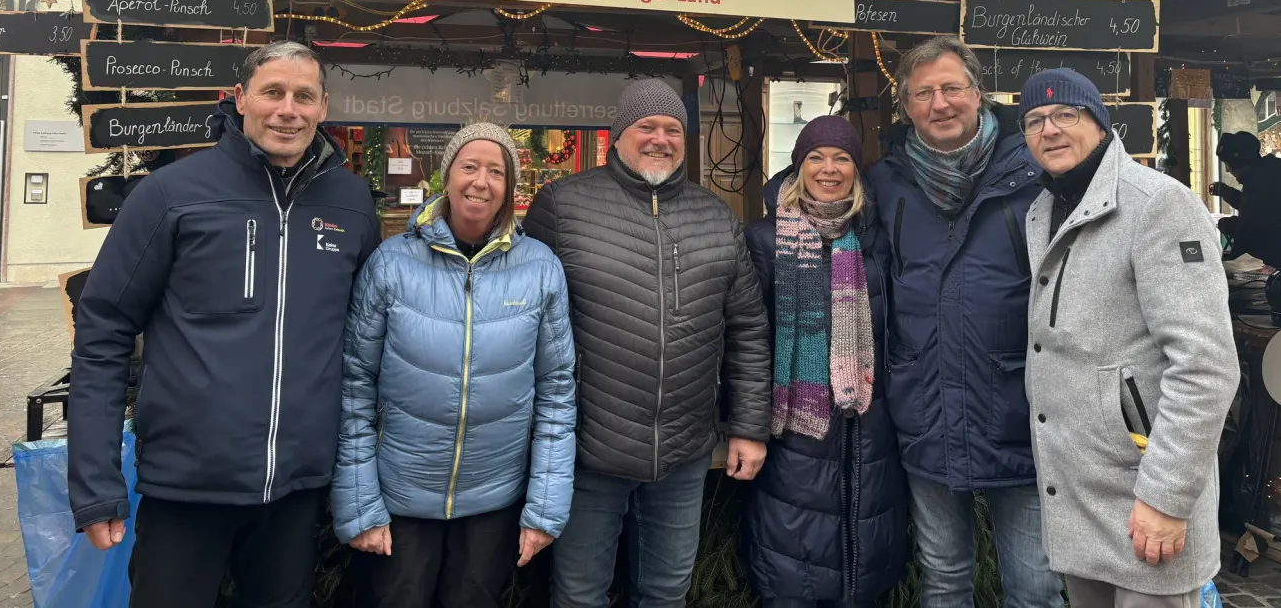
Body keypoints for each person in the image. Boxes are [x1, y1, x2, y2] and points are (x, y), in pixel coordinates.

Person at [68, 40, 381, 608]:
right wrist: (95, 481)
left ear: (323, 107)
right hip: (186, 485)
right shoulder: (172, 194)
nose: (288, 108)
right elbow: (104, 331)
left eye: (303, 96)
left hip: (296, 489)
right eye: (272, 92)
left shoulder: (352, 203)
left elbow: (364, 339)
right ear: (239, 99)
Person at [524, 78, 771, 608]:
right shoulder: (562, 207)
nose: (660, 139)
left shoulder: (716, 218)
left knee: (666, 593)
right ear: (617, 136)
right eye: (646, 127)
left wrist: (749, 428)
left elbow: (747, 329)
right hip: (590, 448)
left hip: (684, 450)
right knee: (579, 594)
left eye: (672, 129)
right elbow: (528, 322)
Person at [1018, 69, 1239, 608]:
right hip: (1080, 497)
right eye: (1034, 120)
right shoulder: (1041, 210)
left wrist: (1166, 496)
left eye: (1066, 115)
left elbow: (1205, 367)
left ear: (1099, 123)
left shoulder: (1159, 205)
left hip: (1143, 493)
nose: (1050, 130)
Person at [332, 123, 576, 608]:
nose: (480, 182)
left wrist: (544, 510)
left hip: (494, 499)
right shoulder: (392, 263)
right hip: (399, 495)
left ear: (509, 187)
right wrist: (360, 504)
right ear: (447, 176)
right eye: (469, 166)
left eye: (495, 171)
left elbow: (556, 391)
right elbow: (354, 383)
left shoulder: (541, 267)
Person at [867, 36, 1061, 608]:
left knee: (1034, 586)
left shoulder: (1033, 173)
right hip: (925, 403)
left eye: (952, 88)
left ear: (979, 95)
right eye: (923, 93)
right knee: (944, 577)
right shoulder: (886, 182)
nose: (939, 103)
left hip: (1020, 407)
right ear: (905, 106)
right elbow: (817, 192)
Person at [742, 116, 909, 608]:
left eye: (842, 159)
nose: (829, 168)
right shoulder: (765, 240)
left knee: (866, 571)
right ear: (798, 167)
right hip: (795, 435)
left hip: (872, 430)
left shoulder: (878, 243)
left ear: (858, 171)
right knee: (795, 569)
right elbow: (749, 341)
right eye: (816, 157)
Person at [1211, 130, 1281, 268]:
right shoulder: (1273, 171)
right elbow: (1259, 207)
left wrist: (1223, 223)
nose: (1228, 171)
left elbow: (1248, 229)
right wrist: (1227, 193)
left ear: (1238, 162)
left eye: (1228, 165)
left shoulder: (1256, 182)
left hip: (1269, 265)